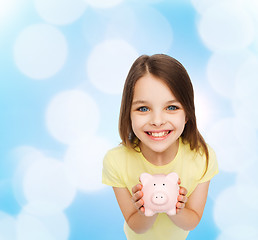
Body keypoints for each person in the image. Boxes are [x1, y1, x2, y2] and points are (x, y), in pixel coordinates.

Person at [102, 54, 219, 240]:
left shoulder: (202, 157)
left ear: (187, 113)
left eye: (171, 107)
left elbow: (193, 220)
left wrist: (173, 207)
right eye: (143, 109)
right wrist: (147, 208)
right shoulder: (116, 161)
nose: (157, 121)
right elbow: (136, 227)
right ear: (128, 114)